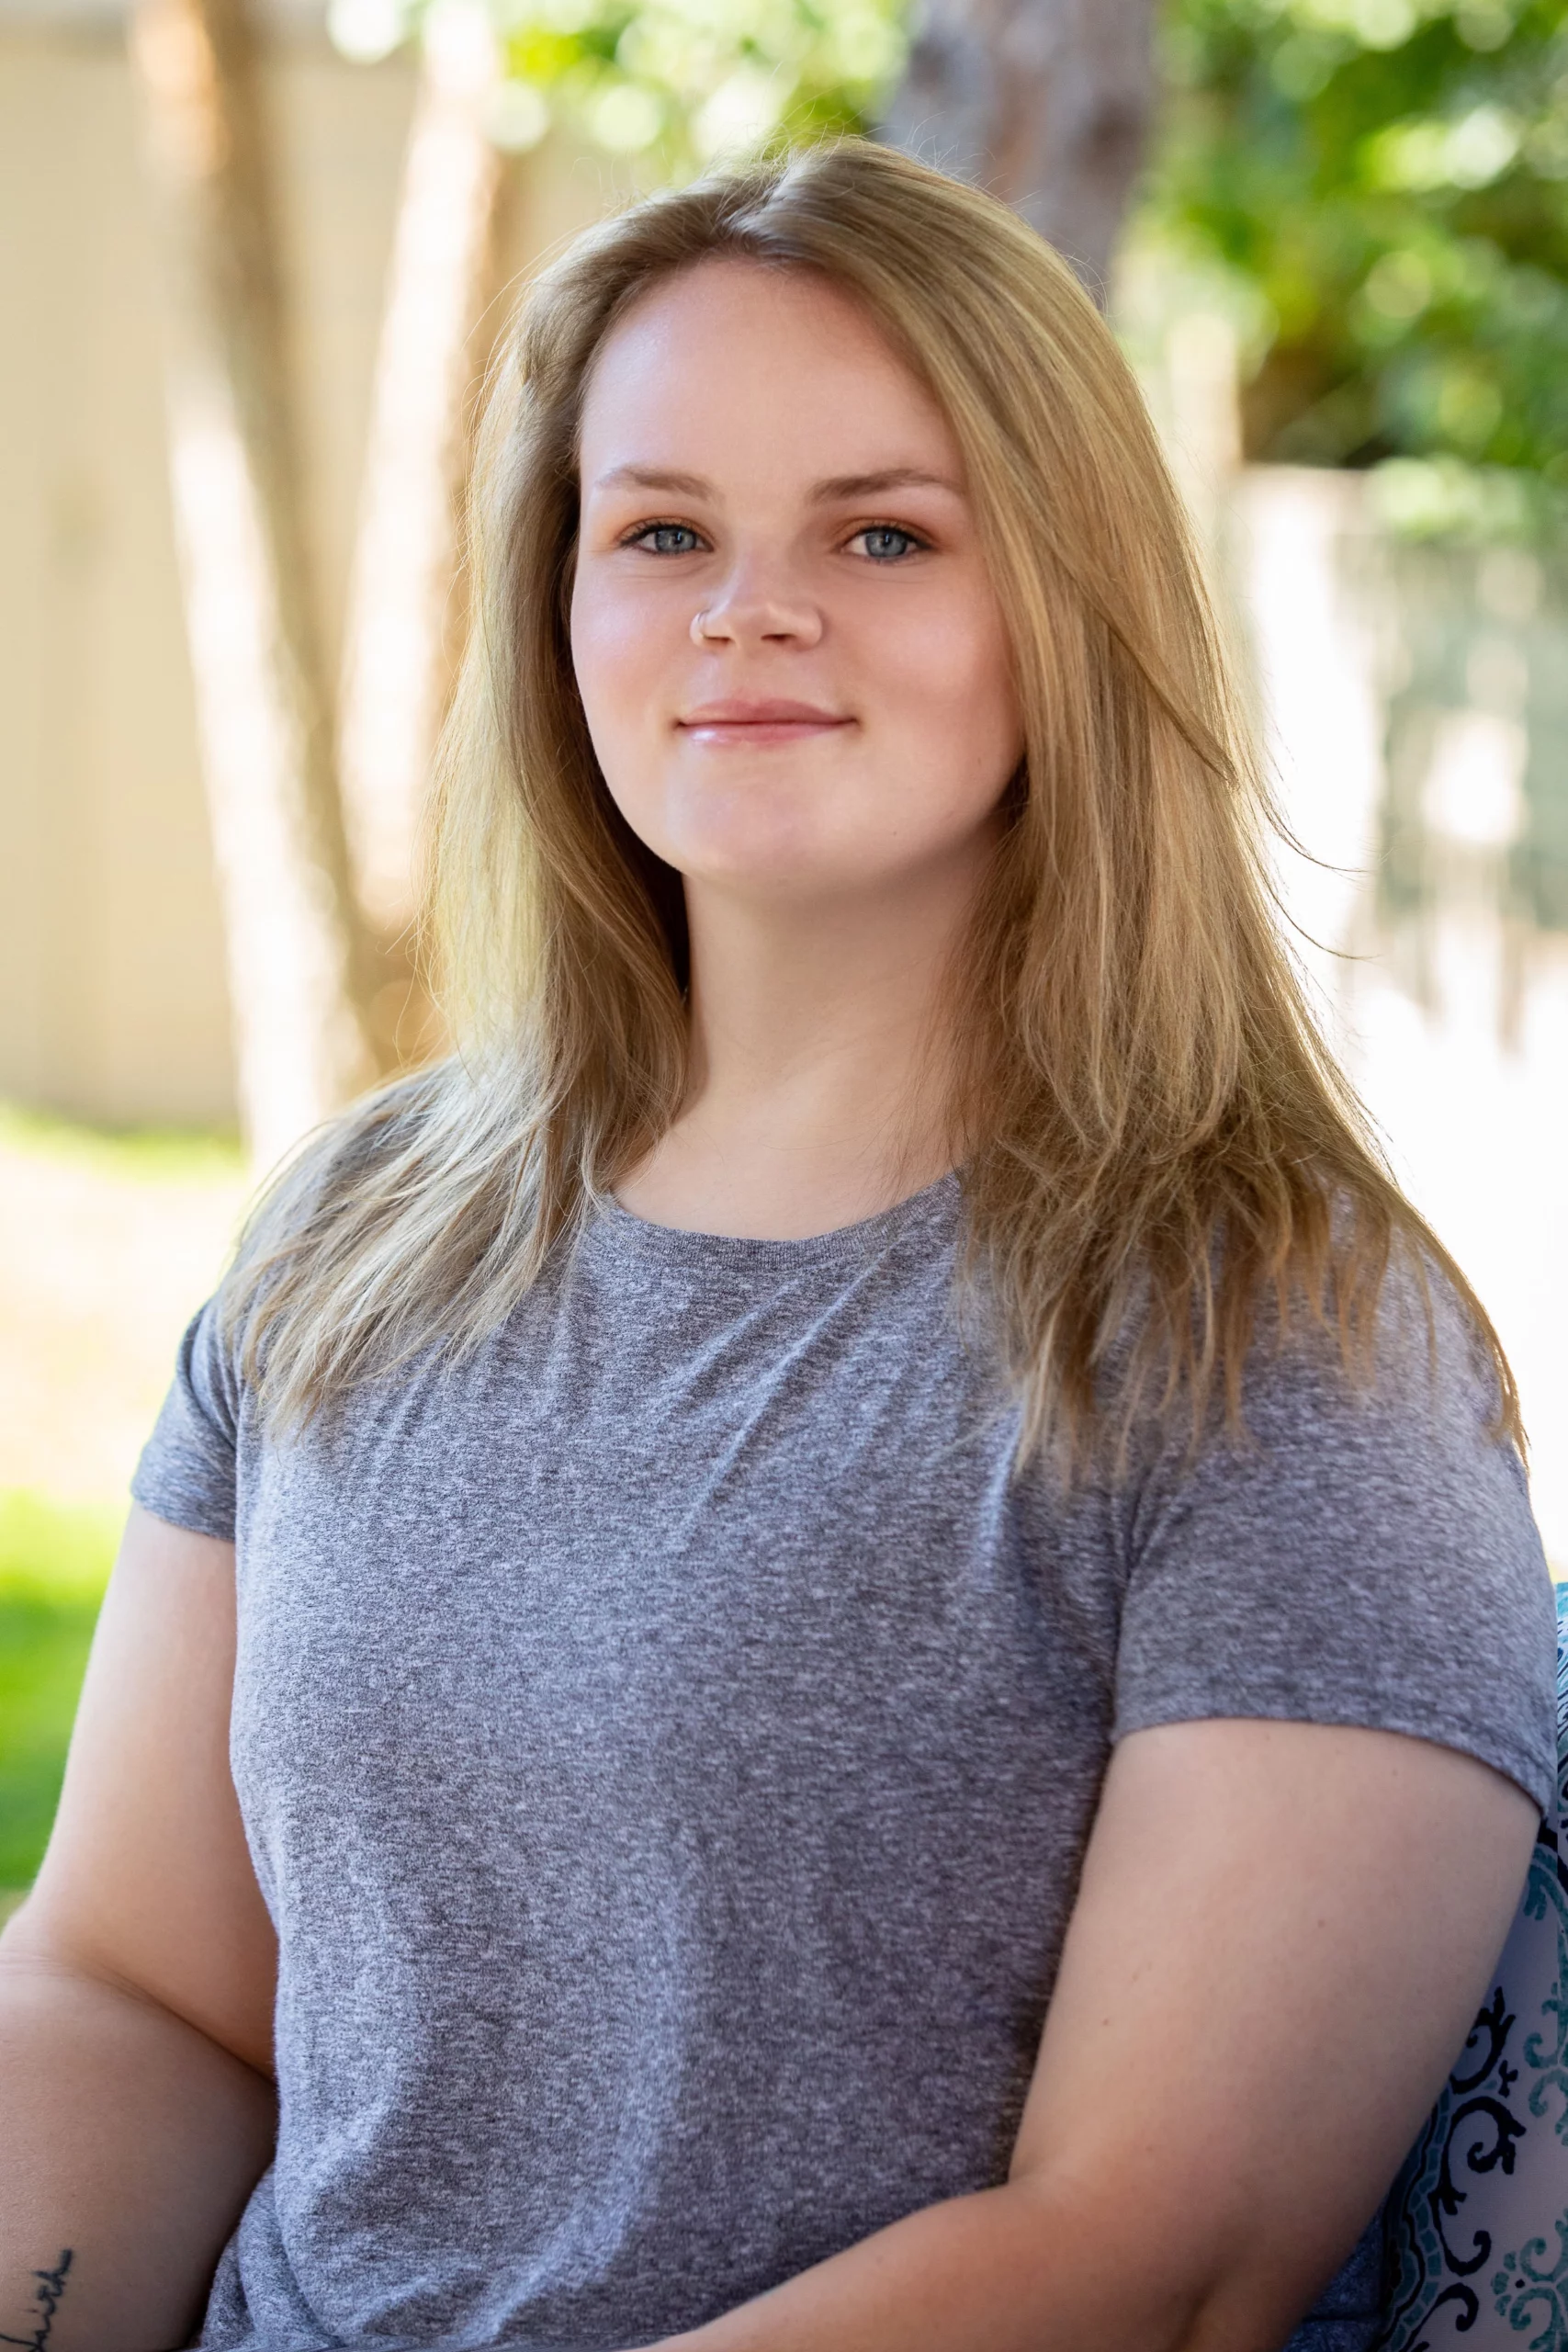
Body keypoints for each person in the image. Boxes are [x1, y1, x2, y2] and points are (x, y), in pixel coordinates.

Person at [0, 136, 1555, 2352]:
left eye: (882, 533)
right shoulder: (355, 1235)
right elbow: (139, 1988)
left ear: (1068, 605)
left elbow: (1150, 2256)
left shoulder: (1277, 1338)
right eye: (661, 533)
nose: (747, 610)